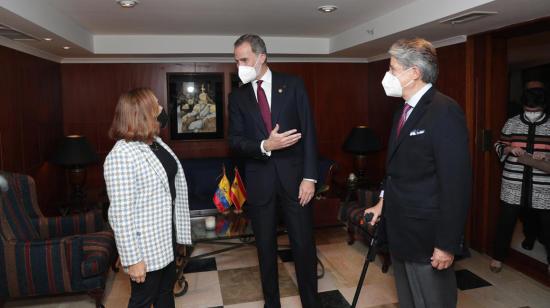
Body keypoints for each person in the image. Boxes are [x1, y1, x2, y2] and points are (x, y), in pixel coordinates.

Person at [364, 38, 472, 307]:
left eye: (392, 69)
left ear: (414, 73)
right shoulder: (403, 111)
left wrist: (447, 243)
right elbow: (397, 170)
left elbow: (456, 183)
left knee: (432, 300)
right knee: (409, 300)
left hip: (427, 235)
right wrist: (381, 202)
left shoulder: (444, 111)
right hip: (401, 230)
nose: (387, 76)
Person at [228, 34, 320, 308]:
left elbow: (309, 132)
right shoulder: (238, 97)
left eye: (243, 60)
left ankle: (311, 303)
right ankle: (272, 304)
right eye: (236, 61)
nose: (239, 66)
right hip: (260, 183)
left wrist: (310, 177)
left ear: (261, 57)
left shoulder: (292, 85)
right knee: (265, 250)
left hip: (296, 182)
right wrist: (265, 144)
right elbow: (234, 141)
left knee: (303, 246)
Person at [104, 88, 191, 308]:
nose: (162, 109)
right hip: (145, 247)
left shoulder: (155, 143)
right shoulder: (122, 155)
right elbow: (121, 215)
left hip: (165, 239)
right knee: (142, 301)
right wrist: (133, 260)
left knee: (164, 294)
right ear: (143, 113)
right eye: (157, 105)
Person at [490, 87, 550, 274]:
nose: (531, 114)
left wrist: (546, 156)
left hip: (543, 184)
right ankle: (498, 257)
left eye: (535, 111)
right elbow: (500, 143)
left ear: (543, 107)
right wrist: (509, 150)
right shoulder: (512, 122)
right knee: (506, 221)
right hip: (513, 181)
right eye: (528, 110)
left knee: (548, 225)